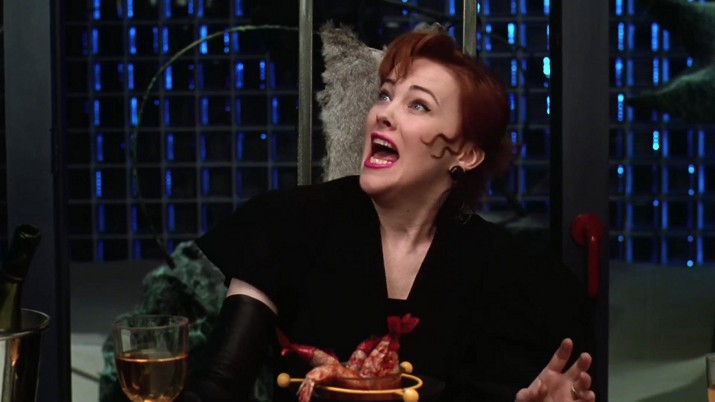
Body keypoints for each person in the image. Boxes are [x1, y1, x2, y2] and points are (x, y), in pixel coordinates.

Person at [185, 30, 596, 402]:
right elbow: (218, 386)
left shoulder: (508, 274)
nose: (384, 113)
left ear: (466, 154)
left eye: (418, 104)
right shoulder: (287, 223)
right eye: (385, 95)